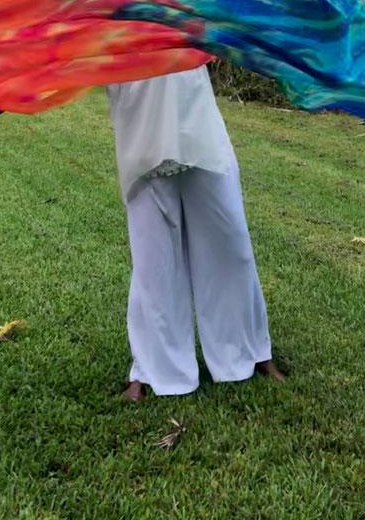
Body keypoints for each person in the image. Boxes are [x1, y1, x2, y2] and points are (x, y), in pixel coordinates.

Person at [107, 64, 285, 400]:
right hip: (138, 114)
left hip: (193, 110)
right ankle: (148, 371)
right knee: (153, 260)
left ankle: (250, 352)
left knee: (230, 245)